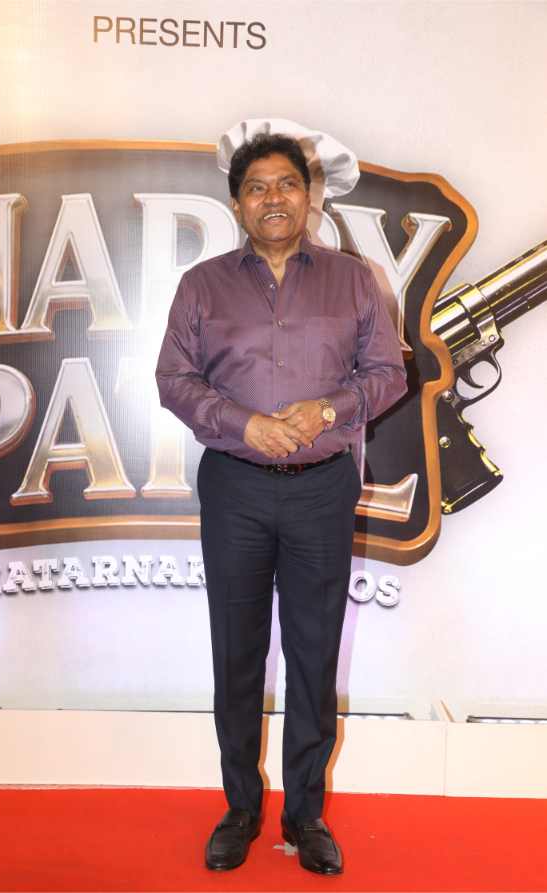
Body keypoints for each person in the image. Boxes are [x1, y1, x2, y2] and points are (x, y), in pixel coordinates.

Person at [156, 132, 407, 875]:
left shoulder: (353, 280)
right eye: (257, 187)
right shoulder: (202, 285)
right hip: (234, 486)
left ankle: (305, 815)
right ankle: (240, 808)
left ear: (309, 196)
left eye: (286, 184)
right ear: (238, 204)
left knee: (312, 651)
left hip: (322, 488)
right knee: (237, 653)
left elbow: (387, 374)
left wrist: (328, 410)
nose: (273, 198)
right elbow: (173, 379)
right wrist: (245, 423)